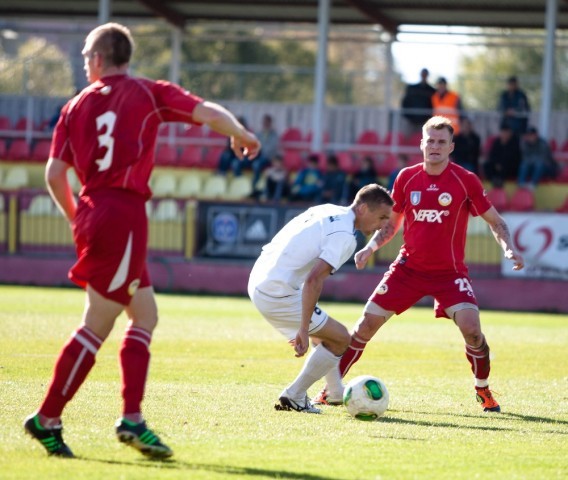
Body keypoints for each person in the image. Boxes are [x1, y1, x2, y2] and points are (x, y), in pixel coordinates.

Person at [23, 22, 260, 459]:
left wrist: (77, 217)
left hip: (98, 211)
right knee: (97, 322)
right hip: (123, 213)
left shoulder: (73, 106)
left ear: (97, 59)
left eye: (84, 58)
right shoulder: (147, 92)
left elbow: (54, 175)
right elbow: (206, 110)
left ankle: (132, 419)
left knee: (145, 314)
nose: (84, 65)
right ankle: (48, 417)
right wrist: (240, 133)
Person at [315, 116, 524, 413]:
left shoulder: (466, 181)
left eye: (442, 142)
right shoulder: (406, 178)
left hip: (450, 274)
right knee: (365, 325)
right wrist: (370, 248)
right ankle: (330, 390)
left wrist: (509, 248)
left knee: (473, 331)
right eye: (430, 141)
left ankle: (483, 389)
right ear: (421, 144)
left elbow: (496, 221)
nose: (435, 146)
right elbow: (391, 225)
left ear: (451, 147)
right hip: (408, 270)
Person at [248, 184, 393, 414]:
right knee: (341, 338)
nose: (384, 225)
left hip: (260, 277)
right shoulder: (346, 236)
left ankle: (335, 393)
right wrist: (304, 329)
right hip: (277, 291)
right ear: (364, 208)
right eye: (382, 217)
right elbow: (314, 280)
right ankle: (294, 395)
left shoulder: (328, 210)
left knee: (325, 334)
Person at [483, 123, 522, 188]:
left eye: (506, 132)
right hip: (497, 165)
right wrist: (496, 164)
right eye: (503, 132)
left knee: (506, 167)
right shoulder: (497, 142)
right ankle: (494, 180)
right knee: (487, 165)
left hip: (509, 166)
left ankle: (500, 181)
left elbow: (513, 157)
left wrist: (501, 164)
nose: (504, 134)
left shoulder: (514, 142)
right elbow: (492, 155)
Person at [400, 68, 436, 134]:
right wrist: (407, 116)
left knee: (423, 140)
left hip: (424, 122)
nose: (424, 76)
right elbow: (405, 102)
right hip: (410, 121)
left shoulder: (432, 91)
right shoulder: (411, 88)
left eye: (425, 74)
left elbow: (433, 105)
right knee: (406, 140)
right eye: (423, 74)